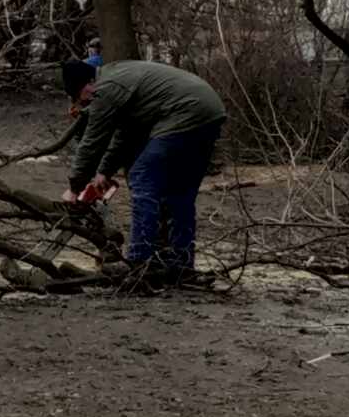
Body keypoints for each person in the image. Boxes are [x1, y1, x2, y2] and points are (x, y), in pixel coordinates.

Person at [61, 57, 226, 284]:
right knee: (179, 194)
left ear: (88, 84)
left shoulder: (106, 89)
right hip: (210, 112)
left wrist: (74, 188)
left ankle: (139, 262)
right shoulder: (118, 76)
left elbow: (92, 140)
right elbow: (125, 134)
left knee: (141, 177)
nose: (86, 102)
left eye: (81, 97)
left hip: (185, 113)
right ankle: (179, 265)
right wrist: (104, 172)